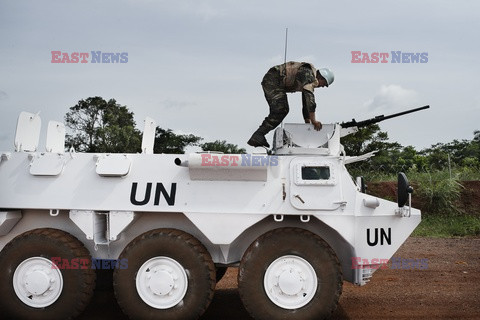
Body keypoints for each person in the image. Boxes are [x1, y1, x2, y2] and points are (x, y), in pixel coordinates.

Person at [247, 61, 334, 148]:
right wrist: (314, 121)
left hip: (274, 81)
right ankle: (258, 135)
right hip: (273, 80)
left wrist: (308, 123)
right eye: (324, 84)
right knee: (281, 110)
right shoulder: (308, 74)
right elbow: (310, 101)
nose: (322, 87)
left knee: (281, 110)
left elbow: (305, 103)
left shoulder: (309, 78)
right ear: (322, 78)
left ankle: (258, 135)